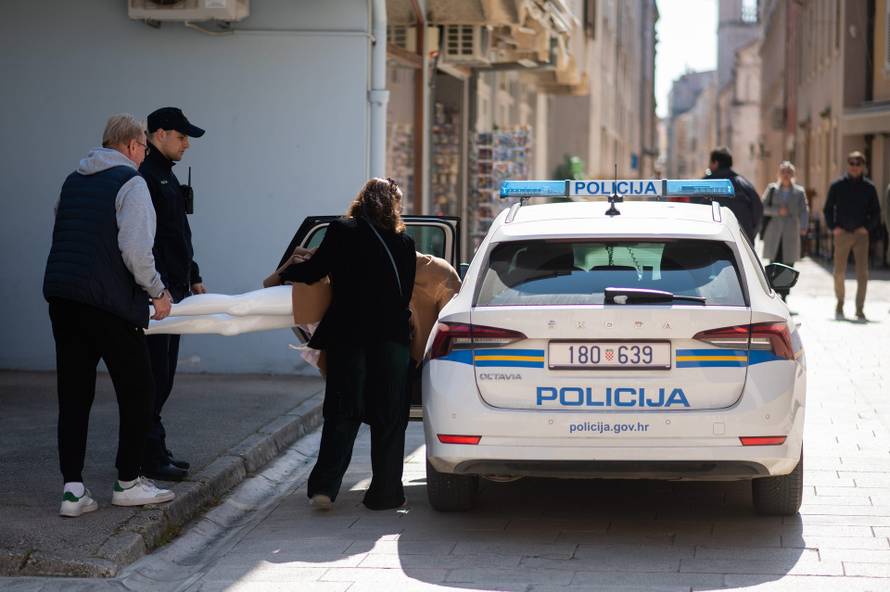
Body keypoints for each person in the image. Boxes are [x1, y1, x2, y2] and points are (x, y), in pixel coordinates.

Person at [43, 114, 176, 517]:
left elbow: (65, 233)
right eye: (143, 149)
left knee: (74, 394)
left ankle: (73, 490)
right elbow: (136, 250)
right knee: (139, 390)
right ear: (134, 146)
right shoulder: (131, 184)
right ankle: (129, 481)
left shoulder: (72, 180)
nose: (143, 157)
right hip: (109, 303)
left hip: (64, 298)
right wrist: (158, 292)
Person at [280, 178, 416, 511]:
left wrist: (287, 272)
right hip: (394, 339)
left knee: (344, 409)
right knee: (390, 416)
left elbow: (315, 271)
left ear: (361, 201)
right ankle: (386, 494)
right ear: (394, 206)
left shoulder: (342, 230)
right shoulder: (405, 243)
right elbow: (406, 292)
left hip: (350, 334)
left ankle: (325, 488)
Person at [140, 107, 206, 481]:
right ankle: (147, 455)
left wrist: (194, 275)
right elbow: (145, 241)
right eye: (182, 137)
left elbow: (179, 236)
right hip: (158, 295)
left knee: (162, 378)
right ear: (160, 134)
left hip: (176, 290)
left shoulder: (165, 175)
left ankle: (155, 446)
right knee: (152, 377)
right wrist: (157, 289)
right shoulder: (145, 177)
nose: (186, 145)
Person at [823, 150, 882, 321]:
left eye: (858, 164)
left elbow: (876, 212)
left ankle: (860, 308)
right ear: (847, 165)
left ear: (863, 166)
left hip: (861, 235)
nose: (855, 167)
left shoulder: (869, 188)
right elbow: (828, 209)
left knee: (862, 273)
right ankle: (840, 303)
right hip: (842, 234)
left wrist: (867, 228)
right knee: (838, 272)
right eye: (852, 164)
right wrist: (833, 227)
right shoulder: (837, 186)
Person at [761, 161, 809, 301]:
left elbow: (804, 210)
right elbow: (762, 207)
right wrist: (777, 211)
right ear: (779, 174)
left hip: (791, 232)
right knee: (774, 262)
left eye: (789, 172)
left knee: (788, 263)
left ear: (793, 175)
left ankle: (785, 294)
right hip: (774, 232)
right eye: (783, 172)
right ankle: (773, 292)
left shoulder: (799, 192)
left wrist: (804, 226)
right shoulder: (772, 189)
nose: (786, 175)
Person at [705, 147, 764, 244]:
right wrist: (748, 235)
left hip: (711, 243)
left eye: (710, 162)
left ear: (715, 163)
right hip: (741, 243)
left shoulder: (703, 185)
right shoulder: (744, 184)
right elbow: (758, 210)